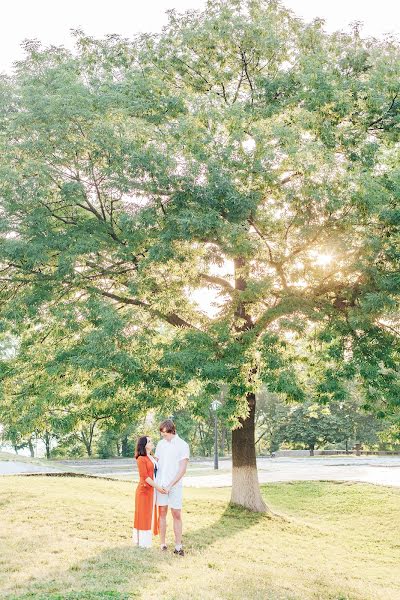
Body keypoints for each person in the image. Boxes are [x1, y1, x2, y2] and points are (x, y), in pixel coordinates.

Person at [155, 419, 190, 556]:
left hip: (175, 485)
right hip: (161, 485)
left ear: (171, 431)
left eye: (165, 433)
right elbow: (156, 464)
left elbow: (182, 469)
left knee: (176, 513)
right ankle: (162, 544)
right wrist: (157, 484)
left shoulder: (182, 445)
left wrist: (170, 485)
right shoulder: (160, 444)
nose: (163, 436)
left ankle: (178, 546)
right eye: (161, 433)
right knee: (162, 512)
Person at [133, 436, 167, 548]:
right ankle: (143, 543)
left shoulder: (151, 457)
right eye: (149, 441)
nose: (152, 443)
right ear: (144, 445)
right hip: (144, 491)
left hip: (151, 491)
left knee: (149, 515)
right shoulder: (141, 459)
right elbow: (145, 477)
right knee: (143, 516)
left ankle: (145, 542)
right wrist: (158, 487)